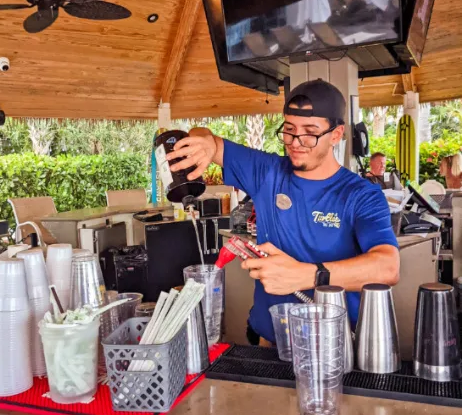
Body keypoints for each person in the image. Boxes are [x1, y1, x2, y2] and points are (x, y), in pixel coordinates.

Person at [167, 79, 400, 346]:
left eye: (310, 132)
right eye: (289, 130)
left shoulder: (360, 194)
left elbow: (387, 267)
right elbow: (208, 139)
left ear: (336, 134)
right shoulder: (267, 172)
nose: (295, 142)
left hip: (334, 344)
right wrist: (203, 143)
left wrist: (309, 275)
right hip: (269, 340)